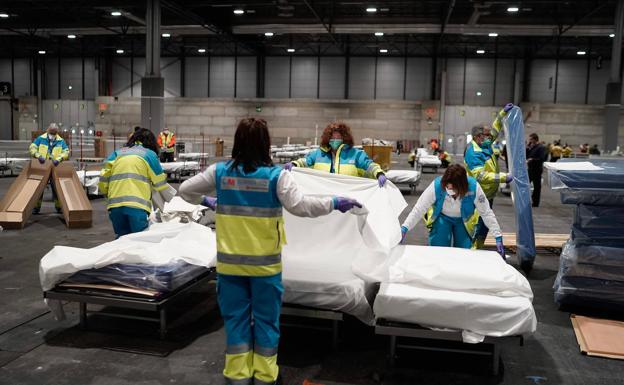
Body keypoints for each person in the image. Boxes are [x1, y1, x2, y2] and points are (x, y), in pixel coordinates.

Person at [179, 118, 361, 385]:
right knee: (266, 323)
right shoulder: (277, 177)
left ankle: (238, 377)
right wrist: (334, 202)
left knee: (236, 322)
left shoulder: (219, 173)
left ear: (237, 141)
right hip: (265, 268)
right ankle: (265, 377)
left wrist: (207, 200)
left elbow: (184, 190)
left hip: (230, 268)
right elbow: (302, 207)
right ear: (266, 144)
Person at [400, 164, 505, 258]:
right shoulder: (437, 186)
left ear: (462, 187)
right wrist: (405, 227)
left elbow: (486, 212)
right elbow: (419, 208)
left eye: (453, 189)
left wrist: (497, 236)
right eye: (447, 187)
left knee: (463, 253)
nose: (449, 191)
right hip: (442, 218)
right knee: (438, 251)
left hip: (463, 221)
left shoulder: (474, 188)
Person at [99, 128, 171, 238]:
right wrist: (170, 199)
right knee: (138, 241)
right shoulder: (149, 155)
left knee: (121, 240)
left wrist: (107, 193)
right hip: (137, 206)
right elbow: (160, 183)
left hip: (115, 206)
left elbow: (104, 177)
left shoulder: (117, 153)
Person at [464, 103, 514, 248]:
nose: (490, 137)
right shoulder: (473, 152)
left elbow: (495, 129)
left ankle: (478, 247)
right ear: (478, 136)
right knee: (476, 225)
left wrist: (502, 114)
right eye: (487, 135)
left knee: (484, 225)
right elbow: (480, 176)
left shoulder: (484, 144)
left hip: (488, 194)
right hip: (478, 195)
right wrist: (504, 177)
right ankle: (472, 251)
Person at [286, 122, 387, 187]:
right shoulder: (318, 154)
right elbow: (305, 161)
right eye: (332, 138)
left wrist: (379, 173)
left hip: (348, 197)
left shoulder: (356, 154)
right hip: (324, 197)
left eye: (338, 137)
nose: (335, 140)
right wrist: (294, 164)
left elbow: (369, 165)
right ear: (327, 138)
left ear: (345, 138)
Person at [29, 123, 69, 214]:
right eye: (51, 132)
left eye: (54, 133)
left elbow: (66, 152)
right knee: (39, 188)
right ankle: (36, 207)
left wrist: (58, 159)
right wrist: (38, 156)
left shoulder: (60, 141)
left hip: (54, 168)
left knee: (56, 189)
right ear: (48, 130)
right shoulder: (40, 139)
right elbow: (32, 148)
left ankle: (59, 207)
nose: (52, 135)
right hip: (42, 167)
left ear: (57, 133)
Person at [526, 133, 548, 208]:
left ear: (535, 139)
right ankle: (528, 199)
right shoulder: (532, 147)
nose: (530, 141)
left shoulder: (541, 148)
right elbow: (527, 156)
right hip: (530, 169)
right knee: (526, 184)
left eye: (531, 139)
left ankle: (535, 202)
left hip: (537, 169)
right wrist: (527, 148)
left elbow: (542, 158)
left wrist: (532, 159)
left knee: (536, 187)